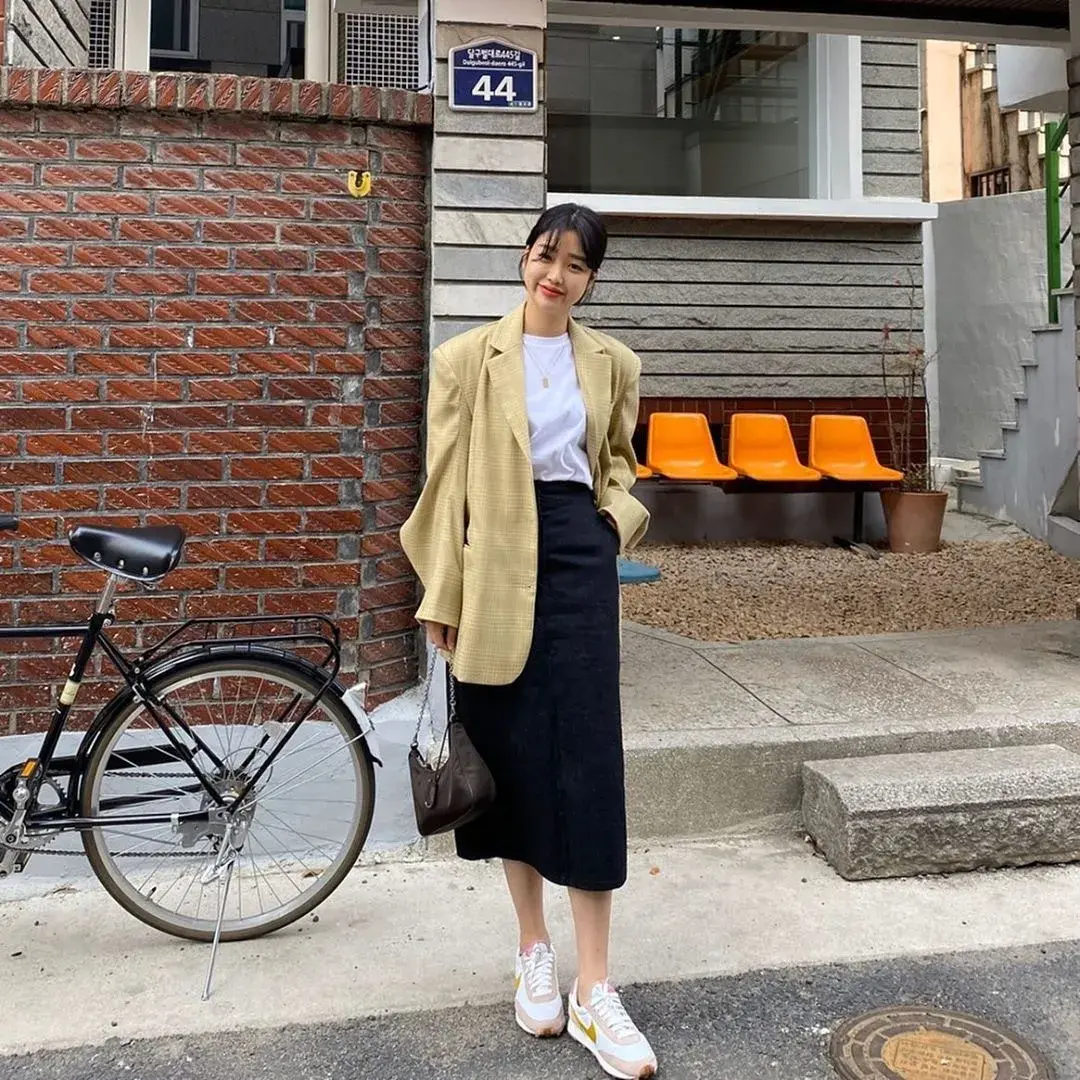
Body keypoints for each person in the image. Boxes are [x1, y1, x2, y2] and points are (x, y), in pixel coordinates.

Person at [399, 203, 656, 1079]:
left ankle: (596, 987)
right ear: (525, 258)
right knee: (510, 754)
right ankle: (532, 948)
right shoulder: (466, 359)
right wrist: (441, 592)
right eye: (548, 256)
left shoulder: (614, 362)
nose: (557, 275)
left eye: (576, 265)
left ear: (591, 279)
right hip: (494, 562)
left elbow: (618, 461)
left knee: (588, 757)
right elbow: (442, 488)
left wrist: (615, 521)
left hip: (579, 554)